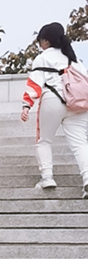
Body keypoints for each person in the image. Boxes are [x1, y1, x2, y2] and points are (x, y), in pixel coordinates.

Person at [21, 22, 88, 194]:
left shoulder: (43, 57)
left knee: (44, 141)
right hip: (78, 103)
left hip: (54, 99)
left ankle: (47, 178)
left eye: (40, 41)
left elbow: (35, 84)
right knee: (80, 143)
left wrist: (27, 105)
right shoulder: (74, 59)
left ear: (46, 41)